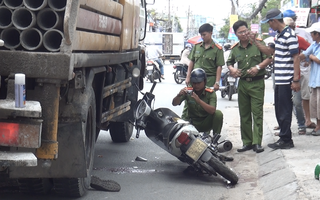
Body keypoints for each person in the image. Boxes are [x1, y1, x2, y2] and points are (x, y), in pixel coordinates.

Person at [247, 8, 300, 149]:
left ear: (274, 21)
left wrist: (295, 80)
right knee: (280, 109)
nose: (269, 26)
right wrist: (255, 42)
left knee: (285, 110)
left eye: (269, 23)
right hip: (280, 79)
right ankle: (284, 137)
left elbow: (296, 58)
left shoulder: (289, 35)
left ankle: (286, 140)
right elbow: (270, 51)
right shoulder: (279, 35)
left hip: (286, 79)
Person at [226, 20, 272, 153]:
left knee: (257, 113)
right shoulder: (235, 49)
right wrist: (232, 69)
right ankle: (247, 142)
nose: (244, 34)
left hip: (257, 83)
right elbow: (229, 62)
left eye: (246, 31)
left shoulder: (258, 43)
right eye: (241, 32)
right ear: (236, 34)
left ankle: (257, 142)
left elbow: (269, 57)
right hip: (243, 83)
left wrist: (258, 67)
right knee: (244, 114)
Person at [182, 23, 224, 120]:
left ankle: (206, 129)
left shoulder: (217, 49)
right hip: (194, 78)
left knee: (206, 103)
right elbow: (191, 61)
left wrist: (217, 82)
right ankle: (185, 121)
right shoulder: (197, 46)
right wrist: (188, 76)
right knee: (188, 99)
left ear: (211, 33)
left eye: (204, 34)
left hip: (208, 79)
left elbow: (219, 66)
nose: (202, 37)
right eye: (201, 35)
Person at [280, 17, 315, 136]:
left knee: (297, 101)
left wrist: (307, 60)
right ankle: (284, 127)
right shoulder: (278, 39)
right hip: (283, 76)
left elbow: (311, 50)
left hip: (297, 75)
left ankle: (302, 124)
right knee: (283, 102)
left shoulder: (298, 39)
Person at [172, 68, 223, 134]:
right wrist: (178, 95)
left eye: (199, 83)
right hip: (192, 123)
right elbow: (174, 103)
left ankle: (215, 139)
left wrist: (199, 101)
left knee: (218, 114)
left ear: (204, 81)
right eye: (194, 83)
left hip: (205, 122)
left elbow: (212, 110)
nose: (196, 85)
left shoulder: (210, 93)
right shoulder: (188, 91)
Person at [299, 22, 320, 136]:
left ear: (317, 34)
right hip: (315, 80)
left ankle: (319, 126)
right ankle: (318, 125)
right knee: (315, 105)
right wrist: (296, 59)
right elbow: (305, 53)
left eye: (312, 33)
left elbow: (318, 59)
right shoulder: (314, 45)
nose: (311, 35)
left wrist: (311, 57)